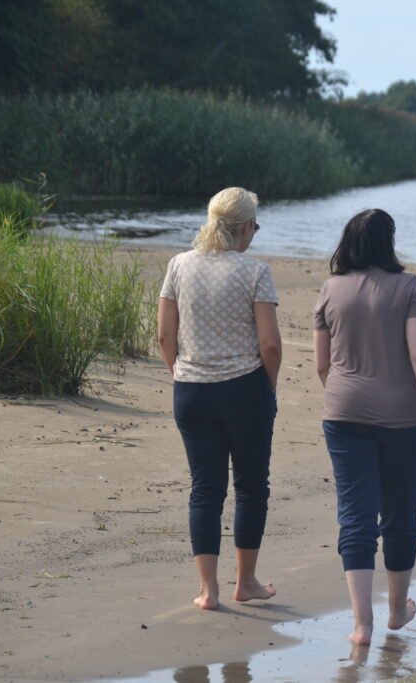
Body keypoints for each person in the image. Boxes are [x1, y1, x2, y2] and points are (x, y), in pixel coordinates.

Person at [313, 208, 416, 647]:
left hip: (343, 413)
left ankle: (361, 626)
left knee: (356, 515)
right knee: (401, 515)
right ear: (388, 241)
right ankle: (396, 612)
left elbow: (322, 364)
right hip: (404, 417)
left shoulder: (330, 289)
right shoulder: (410, 287)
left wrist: (346, 396)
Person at [157, 187, 282, 610]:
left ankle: (208, 590)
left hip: (192, 391)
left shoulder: (179, 265)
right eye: (255, 226)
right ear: (244, 227)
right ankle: (245, 583)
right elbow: (270, 344)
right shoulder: (255, 271)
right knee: (250, 487)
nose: (254, 233)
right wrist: (269, 385)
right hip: (244, 389)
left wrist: (181, 373)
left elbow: (164, 335)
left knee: (205, 489)